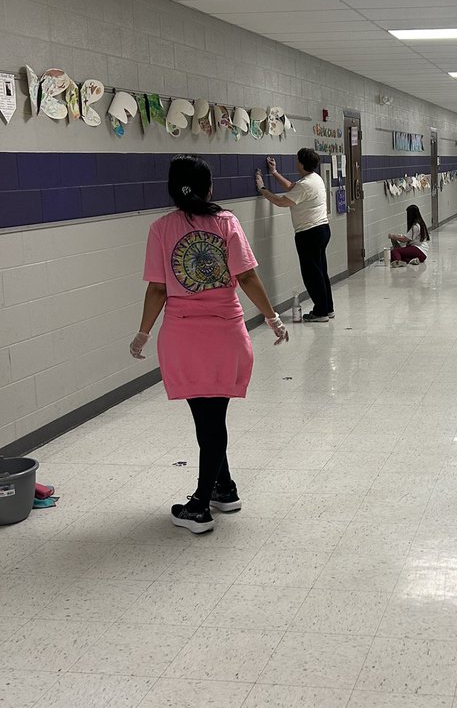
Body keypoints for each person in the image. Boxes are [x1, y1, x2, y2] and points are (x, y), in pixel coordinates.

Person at [130, 156, 288, 535]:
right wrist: (272, 317)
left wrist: (143, 332)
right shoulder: (227, 222)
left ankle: (200, 505)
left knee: (208, 420)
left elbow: (157, 288)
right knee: (212, 419)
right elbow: (247, 276)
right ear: (209, 189)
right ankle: (224, 488)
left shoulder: (160, 228)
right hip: (226, 334)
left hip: (183, 338)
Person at [256, 149, 333, 322]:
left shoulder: (305, 184)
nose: (295, 162)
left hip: (309, 233)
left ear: (301, 163)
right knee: (321, 272)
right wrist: (274, 172)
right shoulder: (315, 179)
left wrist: (262, 189)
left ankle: (320, 312)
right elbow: (292, 187)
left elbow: (281, 201)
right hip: (322, 230)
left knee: (312, 275)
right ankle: (328, 309)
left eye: (297, 160)